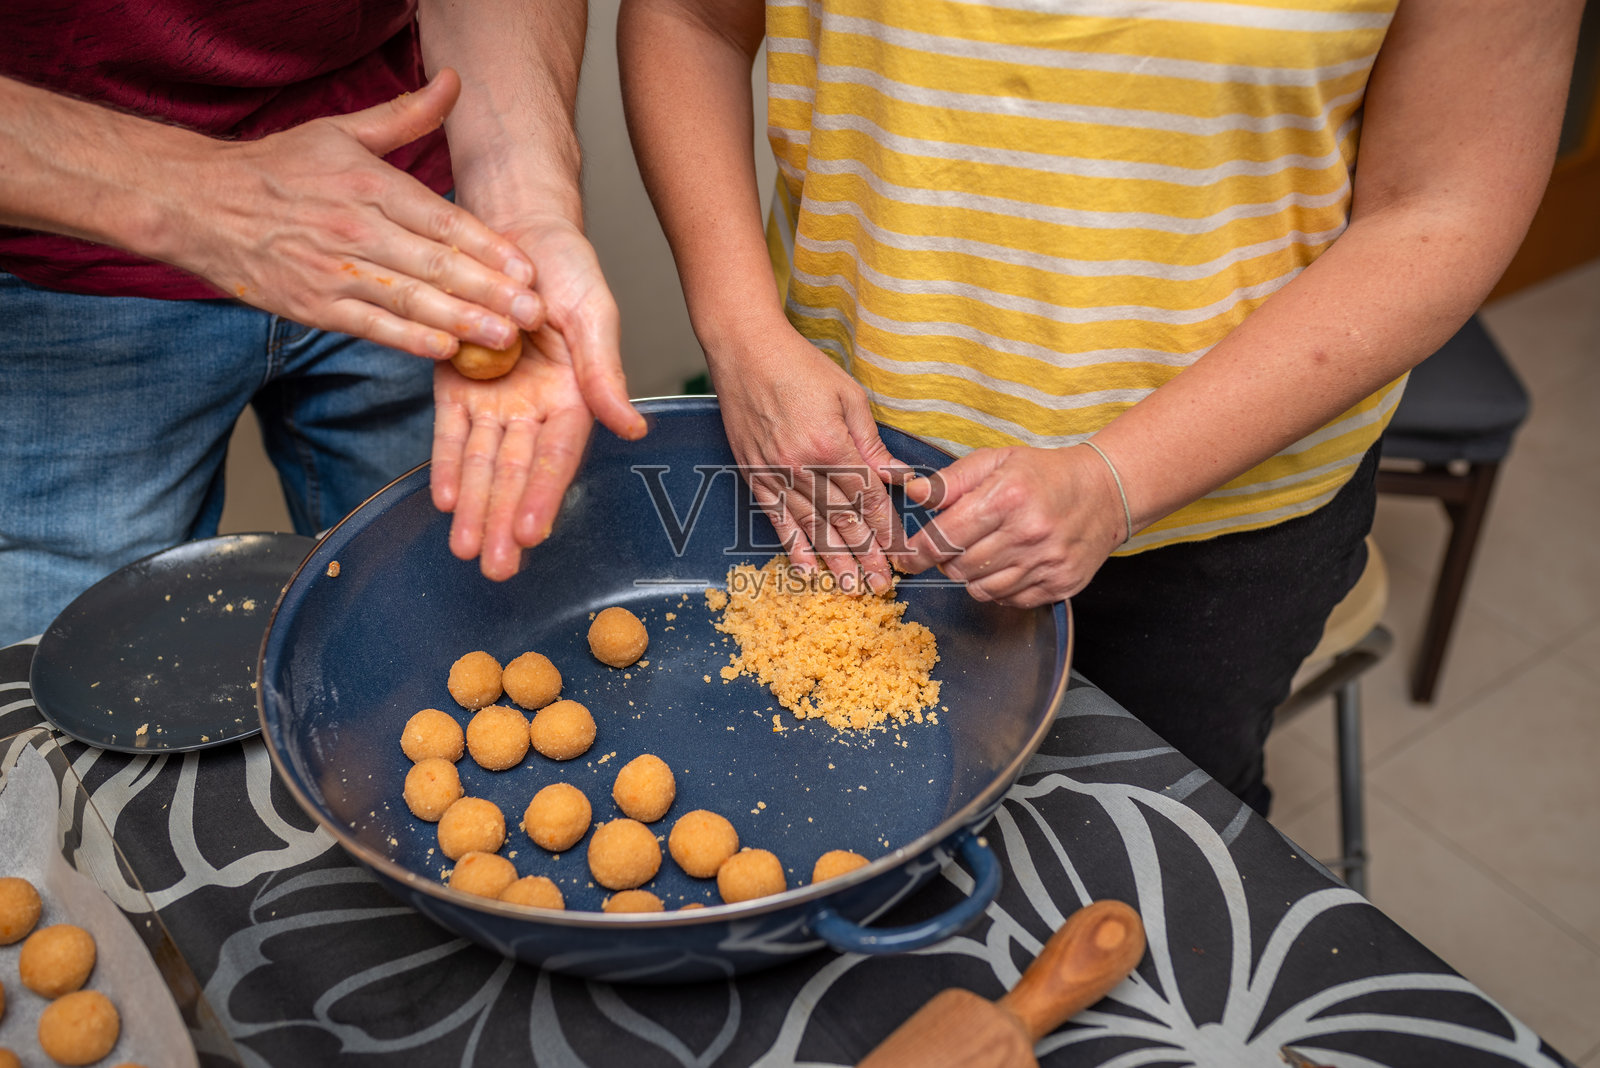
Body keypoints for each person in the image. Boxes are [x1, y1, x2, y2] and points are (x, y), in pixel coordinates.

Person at [617, 0, 1582, 813]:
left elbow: (1444, 202)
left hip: (1212, 531)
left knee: (1144, 843)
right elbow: (691, 18)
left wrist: (1117, 479)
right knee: (815, 804)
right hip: (833, 469)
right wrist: (743, 336)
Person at [0, 0, 644, 647]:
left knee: (440, 616)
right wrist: (187, 193)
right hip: (65, 262)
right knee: (79, 666)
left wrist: (518, 198)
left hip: (401, 234)